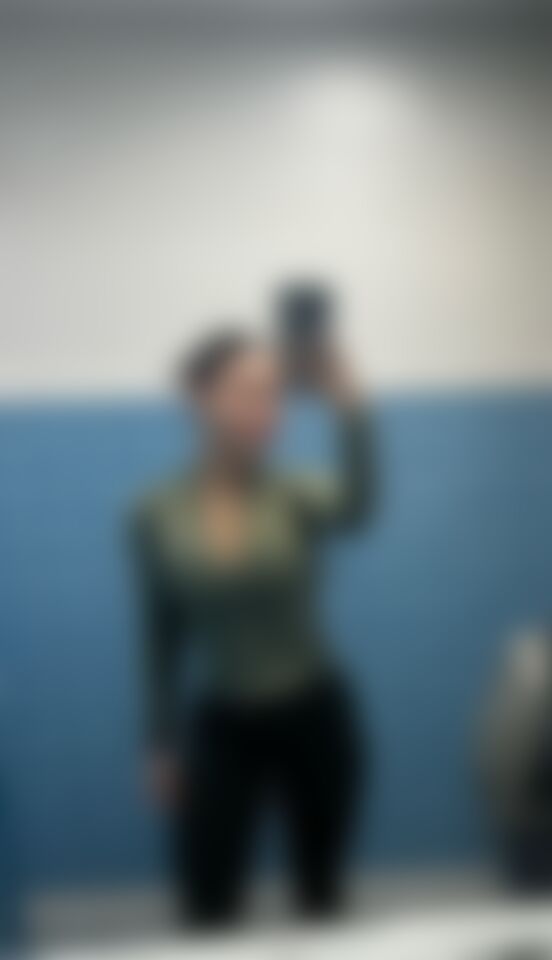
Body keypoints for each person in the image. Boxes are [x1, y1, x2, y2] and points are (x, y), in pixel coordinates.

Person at [129, 328, 378, 926]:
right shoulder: (154, 512)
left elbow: (359, 507)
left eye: (273, 394)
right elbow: (160, 634)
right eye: (246, 392)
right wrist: (161, 741)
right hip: (226, 722)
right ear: (199, 397)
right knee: (207, 902)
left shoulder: (295, 493)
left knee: (322, 898)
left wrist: (351, 407)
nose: (266, 410)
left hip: (316, 714)